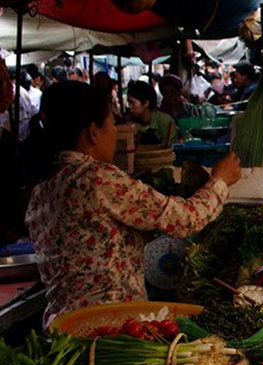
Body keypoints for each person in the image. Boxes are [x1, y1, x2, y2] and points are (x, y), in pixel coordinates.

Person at [25, 81, 242, 327]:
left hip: (63, 329)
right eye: (112, 123)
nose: (116, 131)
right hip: (110, 328)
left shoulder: (41, 190)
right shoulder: (97, 179)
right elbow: (186, 219)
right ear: (93, 132)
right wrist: (220, 180)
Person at [127, 80, 179, 145]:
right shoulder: (128, 124)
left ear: (146, 103)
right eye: (129, 103)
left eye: (132, 102)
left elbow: (171, 149)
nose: (129, 106)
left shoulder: (165, 122)